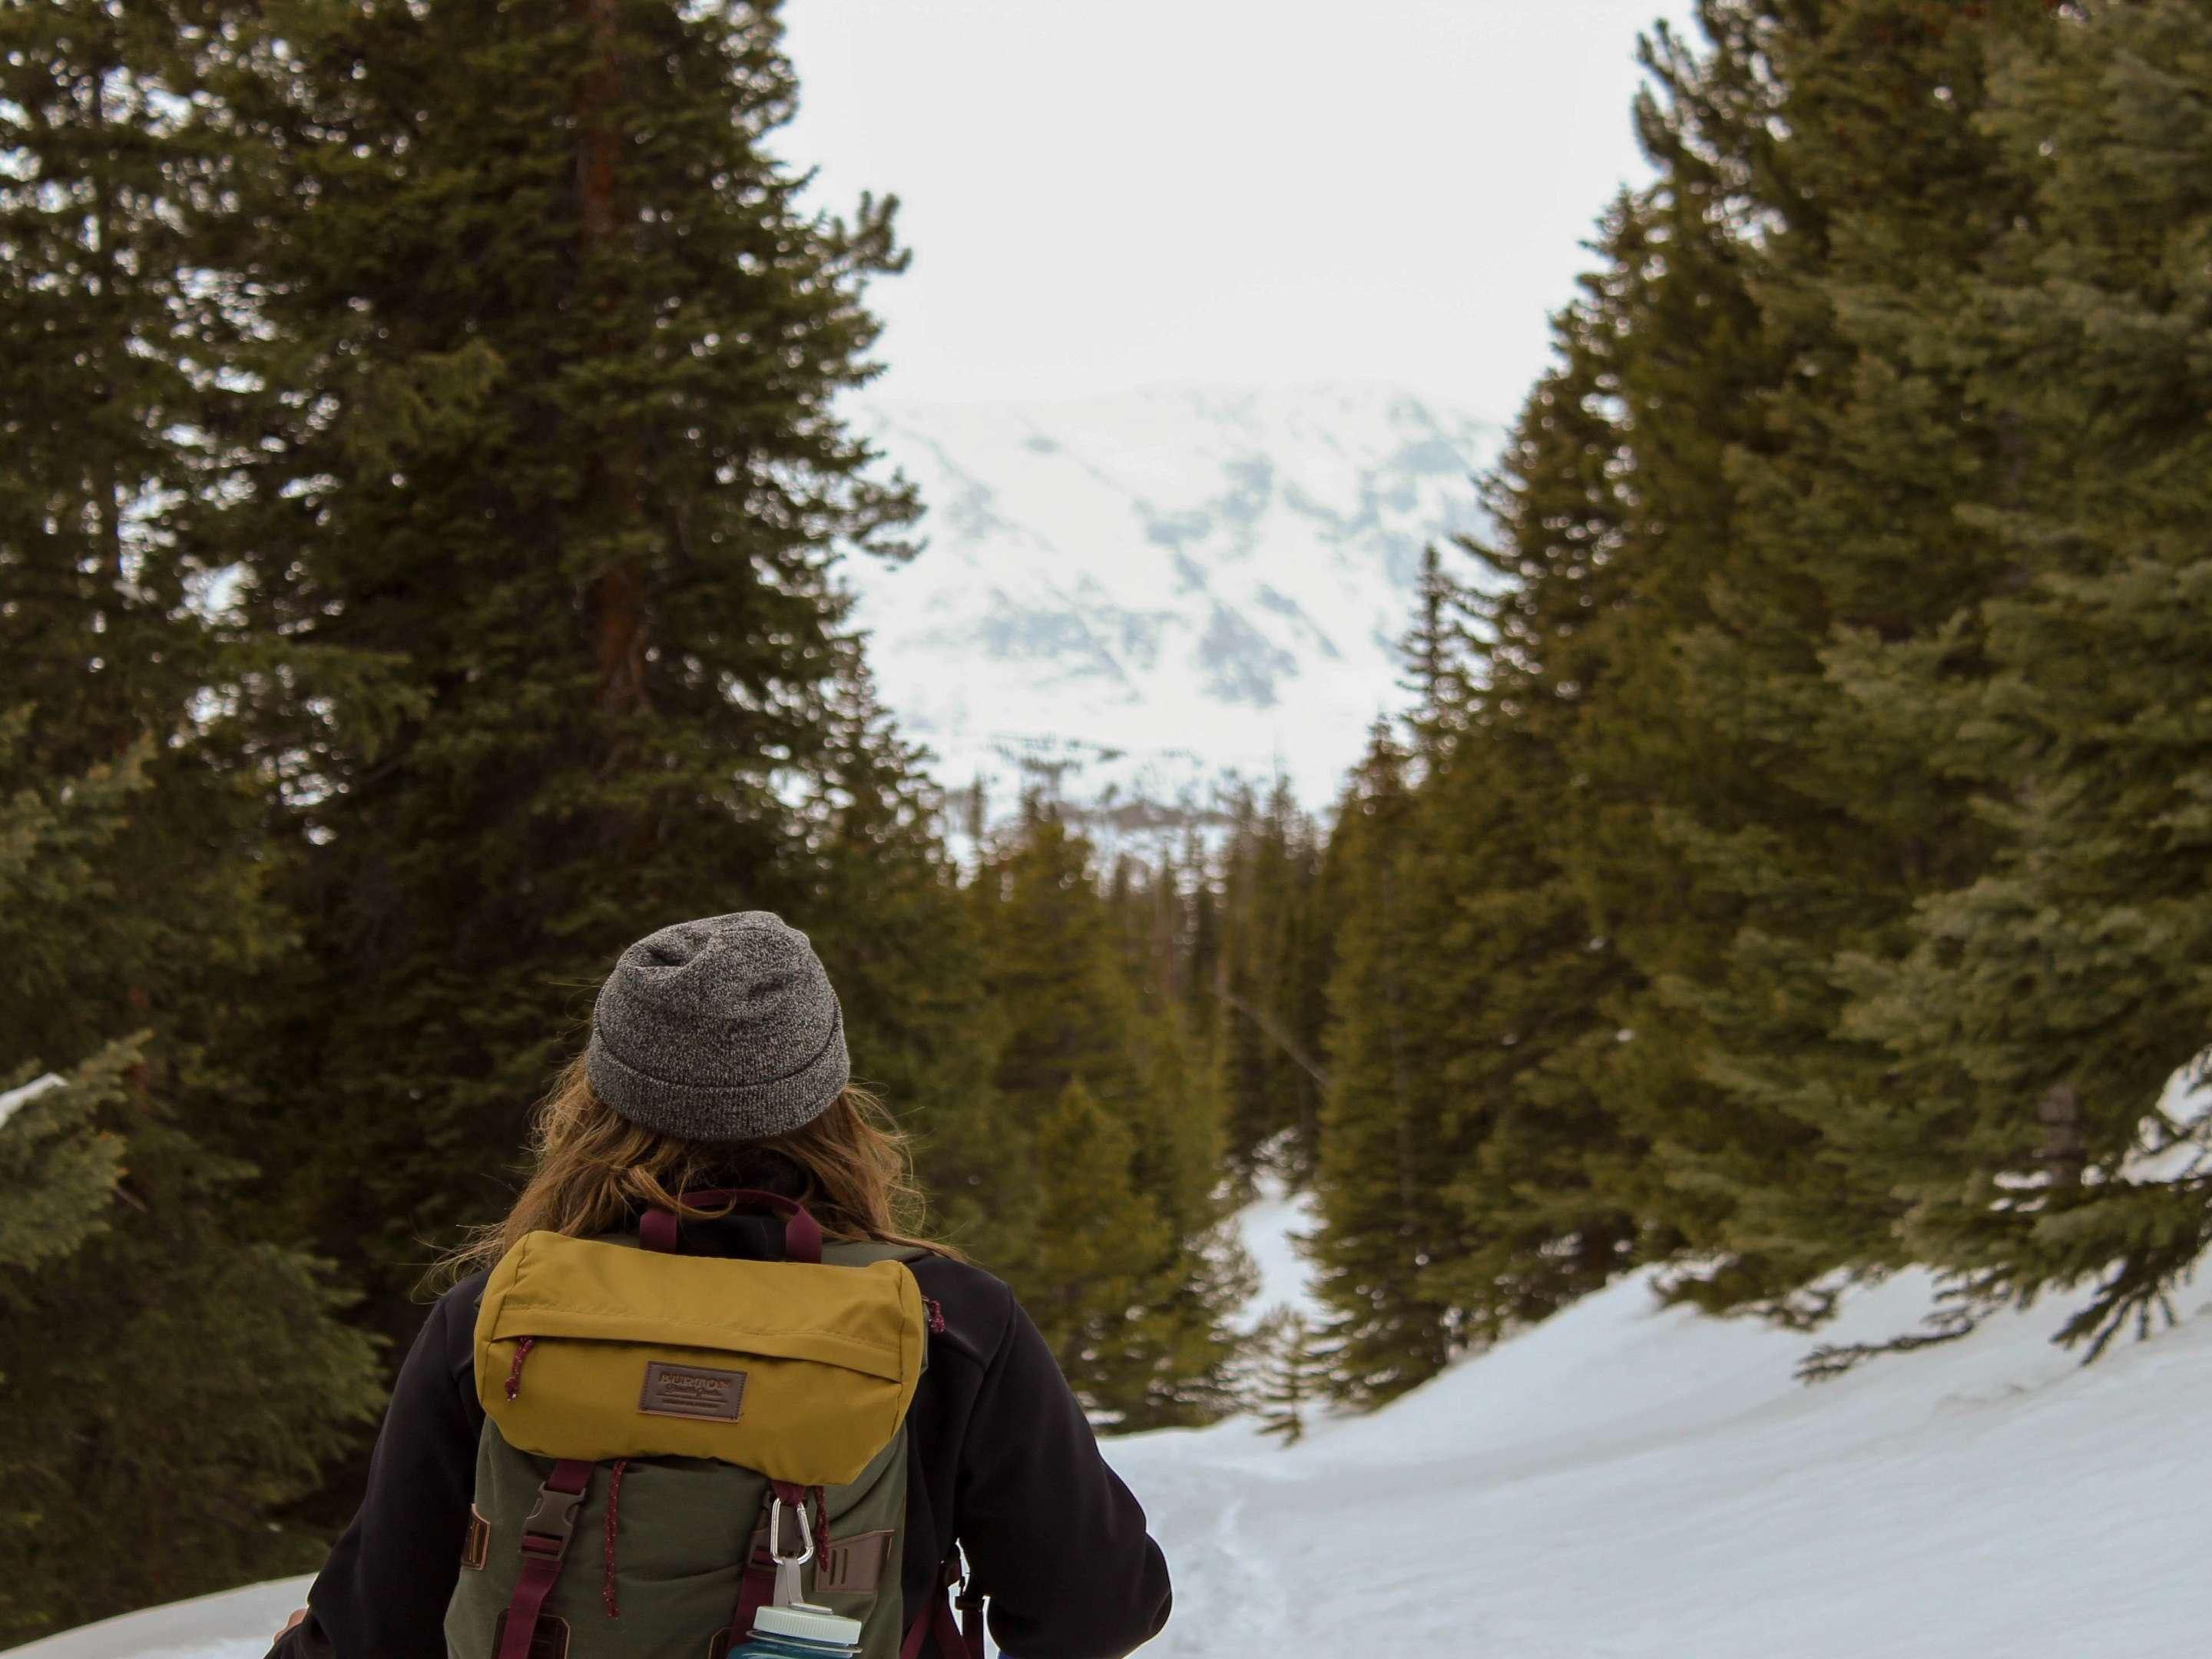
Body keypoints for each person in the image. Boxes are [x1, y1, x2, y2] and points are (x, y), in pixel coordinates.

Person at [268, 910, 1173, 1659]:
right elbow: (1102, 1608)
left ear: (595, 1104)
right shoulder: (950, 1322)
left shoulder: (499, 1312)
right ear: (832, 1100)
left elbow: (373, 1627)